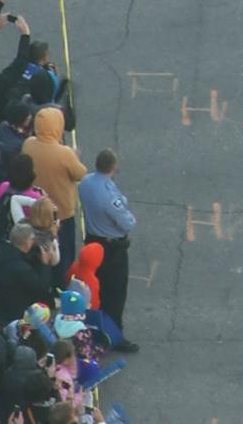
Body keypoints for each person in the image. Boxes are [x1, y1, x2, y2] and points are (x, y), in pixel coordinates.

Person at [75, 148, 138, 347]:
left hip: (92, 240)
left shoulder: (86, 182)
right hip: (111, 249)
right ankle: (115, 336)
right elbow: (127, 223)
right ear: (113, 167)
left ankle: (95, 328)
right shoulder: (109, 196)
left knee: (96, 289)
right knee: (115, 293)